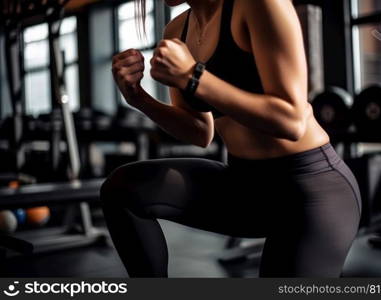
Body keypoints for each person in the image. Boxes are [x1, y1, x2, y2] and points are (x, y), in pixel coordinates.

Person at [101, 0, 362, 277]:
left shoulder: (259, 4)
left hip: (310, 189)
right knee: (124, 188)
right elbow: (199, 131)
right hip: (245, 185)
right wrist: (138, 98)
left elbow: (292, 120)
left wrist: (192, 76)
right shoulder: (177, 30)